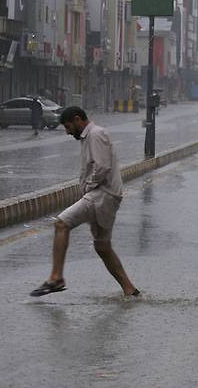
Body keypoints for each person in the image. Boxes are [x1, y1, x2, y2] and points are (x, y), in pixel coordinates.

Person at [30, 107, 140, 297]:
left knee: (61, 224)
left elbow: (102, 166)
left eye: (68, 126)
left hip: (101, 195)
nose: (67, 131)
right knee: (102, 246)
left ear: (77, 119)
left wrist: (89, 187)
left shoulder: (96, 134)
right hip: (106, 195)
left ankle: (56, 277)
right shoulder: (89, 137)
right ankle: (130, 289)